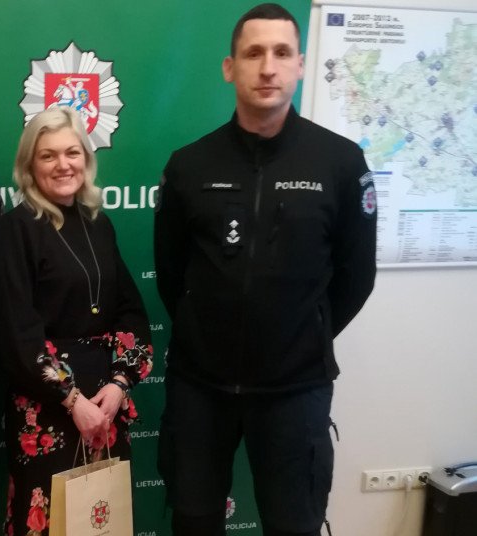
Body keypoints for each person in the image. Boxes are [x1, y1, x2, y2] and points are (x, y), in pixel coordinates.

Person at [154, 4, 377, 535]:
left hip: (294, 390)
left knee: (294, 524)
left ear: (301, 64)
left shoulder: (341, 163)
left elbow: (356, 277)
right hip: (200, 386)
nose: (268, 67)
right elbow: (170, 272)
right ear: (230, 67)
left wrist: (302, 334)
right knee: (193, 520)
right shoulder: (189, 165)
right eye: (254, 53)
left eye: (281, 53)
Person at [0, 106, 153, 536]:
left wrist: (119, 385)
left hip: (105, 405)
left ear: (86, 158)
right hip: (48, 409)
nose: (63, 164)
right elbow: (16, 331)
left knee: (101, 522)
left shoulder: (99, 224)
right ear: (30, 165)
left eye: (72, 152)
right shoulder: (17, 229)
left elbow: (131, 311)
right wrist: (72, 400)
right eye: (48, 155)